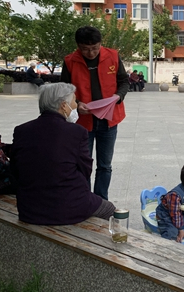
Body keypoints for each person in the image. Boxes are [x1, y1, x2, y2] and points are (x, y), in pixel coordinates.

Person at [11, 83, 115, 224]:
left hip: (29, 209)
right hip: (65, 208)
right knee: (109, 209)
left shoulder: (21, 130)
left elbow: (15, 170)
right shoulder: (77, 132)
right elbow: (85, 170)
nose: (76, 105)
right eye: (74, 101)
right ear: (63, 105)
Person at [60, 26, 129, 201]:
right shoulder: (70, 61)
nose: (91, 53)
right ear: (78, 46)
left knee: (105, 165)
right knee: (83, 163)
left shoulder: (112, 56)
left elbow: (124, 82)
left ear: (100, 44)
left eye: (95, 48)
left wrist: (117, 97)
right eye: (86, 49)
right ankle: (83, 200)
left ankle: (100, 201)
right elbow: (64, 90)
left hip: (108, 119)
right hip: (83, 121)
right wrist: (76, 104)